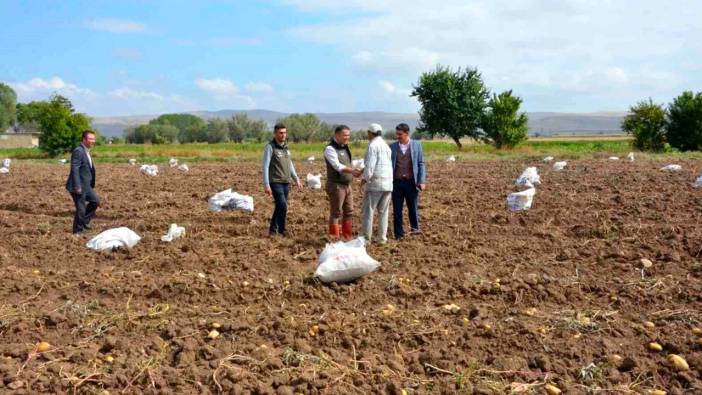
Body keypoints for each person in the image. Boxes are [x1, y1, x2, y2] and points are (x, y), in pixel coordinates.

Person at [262, 123, 302, 236]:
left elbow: (290, 164)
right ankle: (282, 229)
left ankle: (273, 230)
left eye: (284, 132)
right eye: (280, 133)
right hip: (275, 181)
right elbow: (265, 166)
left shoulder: (286, 147)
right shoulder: (270, 147)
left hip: (286, 181)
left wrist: (296, 179)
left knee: (279, 206)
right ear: (275, 134)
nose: (283, 135)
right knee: (283, 205)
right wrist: (266, 184)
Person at [324, 125, 361, 240]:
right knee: (336, 212)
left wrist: (359, 167)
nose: (347, 137)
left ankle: (347, 237)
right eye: (345, 135)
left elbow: (349, 163)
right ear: (337, 135)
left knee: (349, 211)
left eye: (348, 135)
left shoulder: (345, 148)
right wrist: (352, 171)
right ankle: (334, 239)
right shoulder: (330, 149)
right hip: (336, 186)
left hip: (347, 185)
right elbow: (336, 165)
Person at [389, 123, 426, 240]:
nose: (397, 136)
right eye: (397, 134)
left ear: (407, 133)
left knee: (413, 208)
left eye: (400, 134)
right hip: (397, 183)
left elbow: (421, 163)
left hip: (411, 182)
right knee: (397, 209)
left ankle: (415, 230)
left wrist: (421, 180)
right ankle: (398, 234)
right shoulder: (392, 147)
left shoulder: (417, 145)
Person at [360, 123, 393, 244]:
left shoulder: (373, 146)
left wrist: (364, 179)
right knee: (384, 212)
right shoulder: (386, 146)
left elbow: (370, 166)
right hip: (388, 184)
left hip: (375, 184)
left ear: (370, 133)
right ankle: (382, 238)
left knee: (368, 211)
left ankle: (365, 238)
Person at [66, 130, 100, 234]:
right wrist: (77, 185)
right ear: (84, 139)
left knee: (95, 201)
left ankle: (84, 222)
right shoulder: (79, 151)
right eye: (90, 139)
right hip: (78, 186)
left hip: (87, 186)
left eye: (93, 139)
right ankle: (77, 231)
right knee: (81, 209)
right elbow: (74, 168)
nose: (92, 141)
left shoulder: (86, 151)